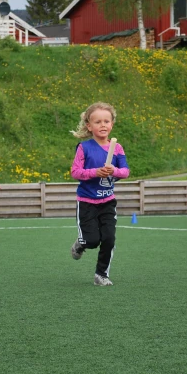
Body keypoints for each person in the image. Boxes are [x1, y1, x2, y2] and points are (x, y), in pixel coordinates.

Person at [69, 102, 130, 286]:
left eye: (106, 121)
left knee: (109, 238)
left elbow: (125, 171)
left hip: (107, 202)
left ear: (112, 124)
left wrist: (113, 171)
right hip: (87, 203)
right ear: (89, 126)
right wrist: (95, 172)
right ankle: (80, 244)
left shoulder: (117, 148)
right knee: (92, 240)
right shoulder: (84, 148)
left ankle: (101, 274)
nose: (103, 125)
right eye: (97, 122)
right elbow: (75, 172)